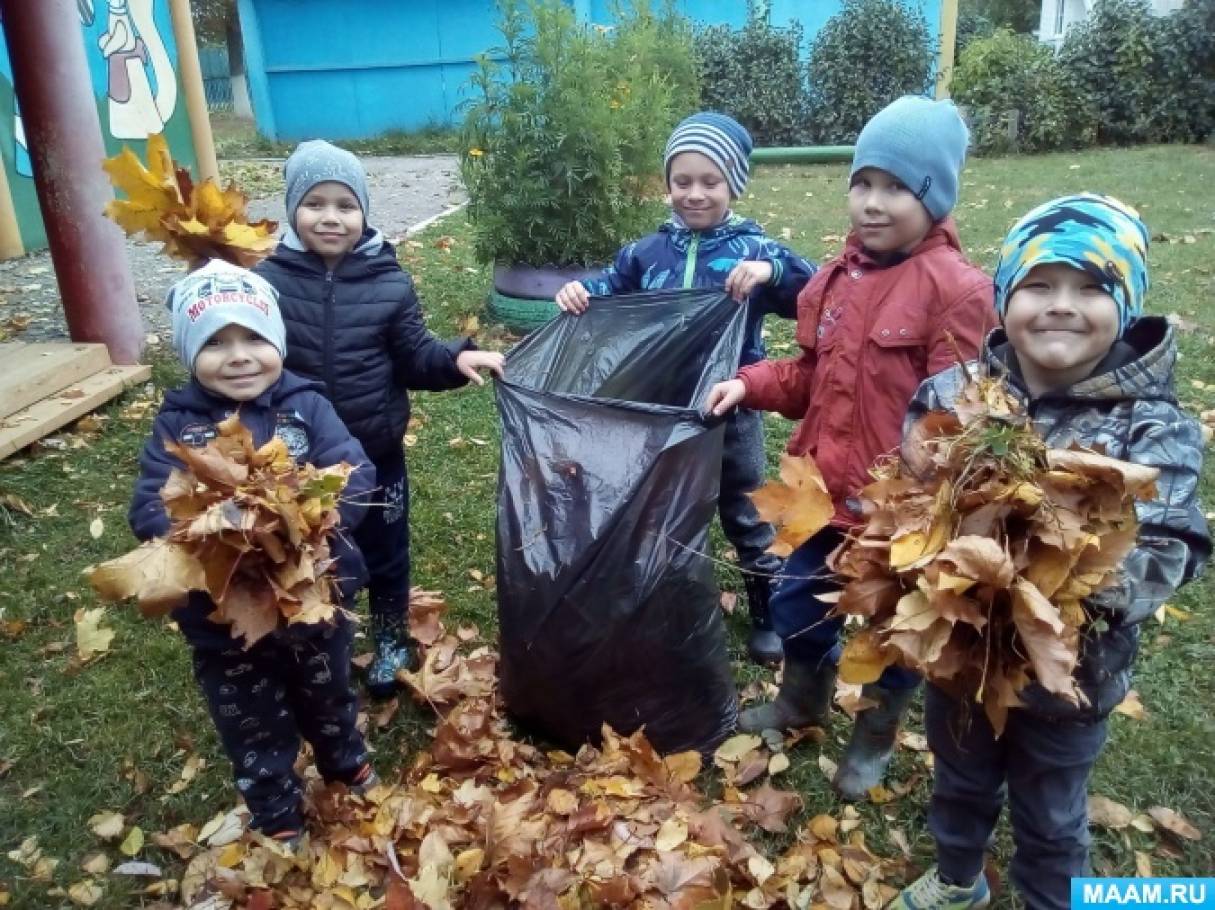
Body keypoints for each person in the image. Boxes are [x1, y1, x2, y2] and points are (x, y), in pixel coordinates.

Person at [889, 194, 1210, 910]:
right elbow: (907, 493)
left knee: (1052, 812)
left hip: (1072, 679)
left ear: (1125, 305)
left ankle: (1051, 898)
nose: (1061, 305)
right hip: (960, 657)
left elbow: (1170, 542)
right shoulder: (953, 394)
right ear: (1003, 300)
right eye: (1037, 285)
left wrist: (1061, 581)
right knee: (960, 778)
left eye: (1091, 288)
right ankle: (957, 878)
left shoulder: (1152, 429)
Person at [705, 95, 993, 799]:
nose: (871, 202)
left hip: (901, 515)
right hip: (822, 495)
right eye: (862, 182)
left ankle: (873, 733)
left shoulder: (956, 291)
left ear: (934, 197)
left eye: (896, 187)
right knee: (795, 607)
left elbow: (961, 414)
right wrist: (747, 383)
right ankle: (801, 701)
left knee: (893, 637)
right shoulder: (833, 279)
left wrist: (918, 489)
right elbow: (807, 374)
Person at [129, 261, 379, 843]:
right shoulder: (179, 426)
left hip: (314, 598)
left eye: (254, 338)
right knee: (250, 718)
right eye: (216, 342)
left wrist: (324, 512)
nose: (239, 355)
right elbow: (150, 505)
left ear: (278, 343)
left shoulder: (307, 407)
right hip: (223, 616)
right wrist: (209, 531)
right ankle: (275, 806)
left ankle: (345, 760)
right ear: (189, 353)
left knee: (329, 690)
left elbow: (356, 470)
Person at [555, 112, 817, 666]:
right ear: (667, 183)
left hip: (731, 407)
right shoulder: (648, 253)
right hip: (663, 407)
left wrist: (770, 271)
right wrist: (580, 291)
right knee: (661, 505)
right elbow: (611, 289)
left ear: (733, 184)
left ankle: (765, 603)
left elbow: (811, 293)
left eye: (710, 181)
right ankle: (664, 593)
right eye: (682, 181)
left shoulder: (753, 250)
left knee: (745, 508)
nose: (694, 194)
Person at [254, 140, 504, 697]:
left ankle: (390, 636)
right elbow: (244, 354)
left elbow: (413, 352)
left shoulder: (389, 281)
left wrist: (453, 357)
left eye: (345, 204)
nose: (331, 217)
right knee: (311, 554)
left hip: (377, 453)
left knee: (386, 554)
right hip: (298, 460)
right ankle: (322, 639)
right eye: (314, 203)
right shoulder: (268, 283)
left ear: (364, 211)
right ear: (293, 208)